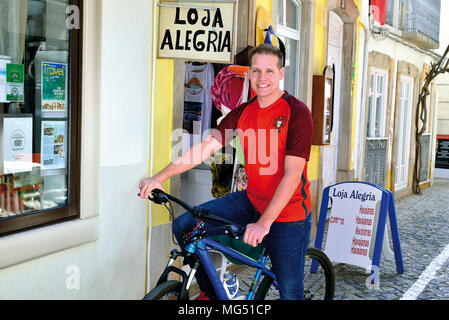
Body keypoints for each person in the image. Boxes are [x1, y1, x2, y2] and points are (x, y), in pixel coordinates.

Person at [139, 44, 313, 300]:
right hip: (251, 199)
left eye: (269, 71)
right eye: (256, 71)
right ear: (249, 74)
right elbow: (204, 149)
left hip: (289, 213)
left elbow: (292, 175)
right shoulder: (243, 113)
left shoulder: (296, 113)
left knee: (289, 290)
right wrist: (159, 178)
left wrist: (264, 223)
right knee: (186, 225)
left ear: (281, 73)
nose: (262, 78)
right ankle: (213, 293)